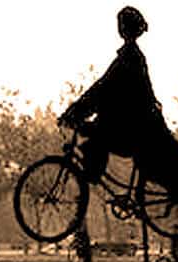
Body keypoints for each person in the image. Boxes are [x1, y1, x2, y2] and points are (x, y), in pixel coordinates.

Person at [58, 7, 167, 183]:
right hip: (133, 125)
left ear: (124, 28)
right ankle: (89, 178)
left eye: (122, 24)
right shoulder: (132, 56)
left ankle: (90, 178)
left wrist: (74, 112)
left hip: (130, 128)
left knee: (94, 138)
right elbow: (103, 89)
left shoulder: (128, 58)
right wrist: (78, 111)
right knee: (92, 133)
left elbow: (103, 89)